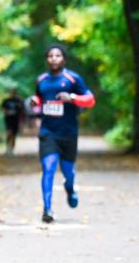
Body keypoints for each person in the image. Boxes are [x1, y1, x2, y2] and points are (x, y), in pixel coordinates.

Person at [29, 44, 95, 223]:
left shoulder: (73, 79)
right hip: (48, 132)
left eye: (57, 55)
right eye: (50, 56)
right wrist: (35, 101)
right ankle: (47, 209)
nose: (54, 59)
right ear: (47, 60)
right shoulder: (41, 80)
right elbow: (39, 98)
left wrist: (72, 98)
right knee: (48, 168)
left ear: (64, 59)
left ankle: (70, 187)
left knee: (68, 172)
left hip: (68, 132)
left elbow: (90, 100)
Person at [1, 88, 23, 156]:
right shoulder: (6, 101)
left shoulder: (18, 101)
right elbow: (3, 108)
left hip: (15, 120)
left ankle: (12, 149)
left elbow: (22, 109)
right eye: (11, 92)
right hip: (8, 119)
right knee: (9, 133)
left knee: (14, 135)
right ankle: (7, 148)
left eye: (14, 92)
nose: (12, 93)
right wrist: (5, 113)